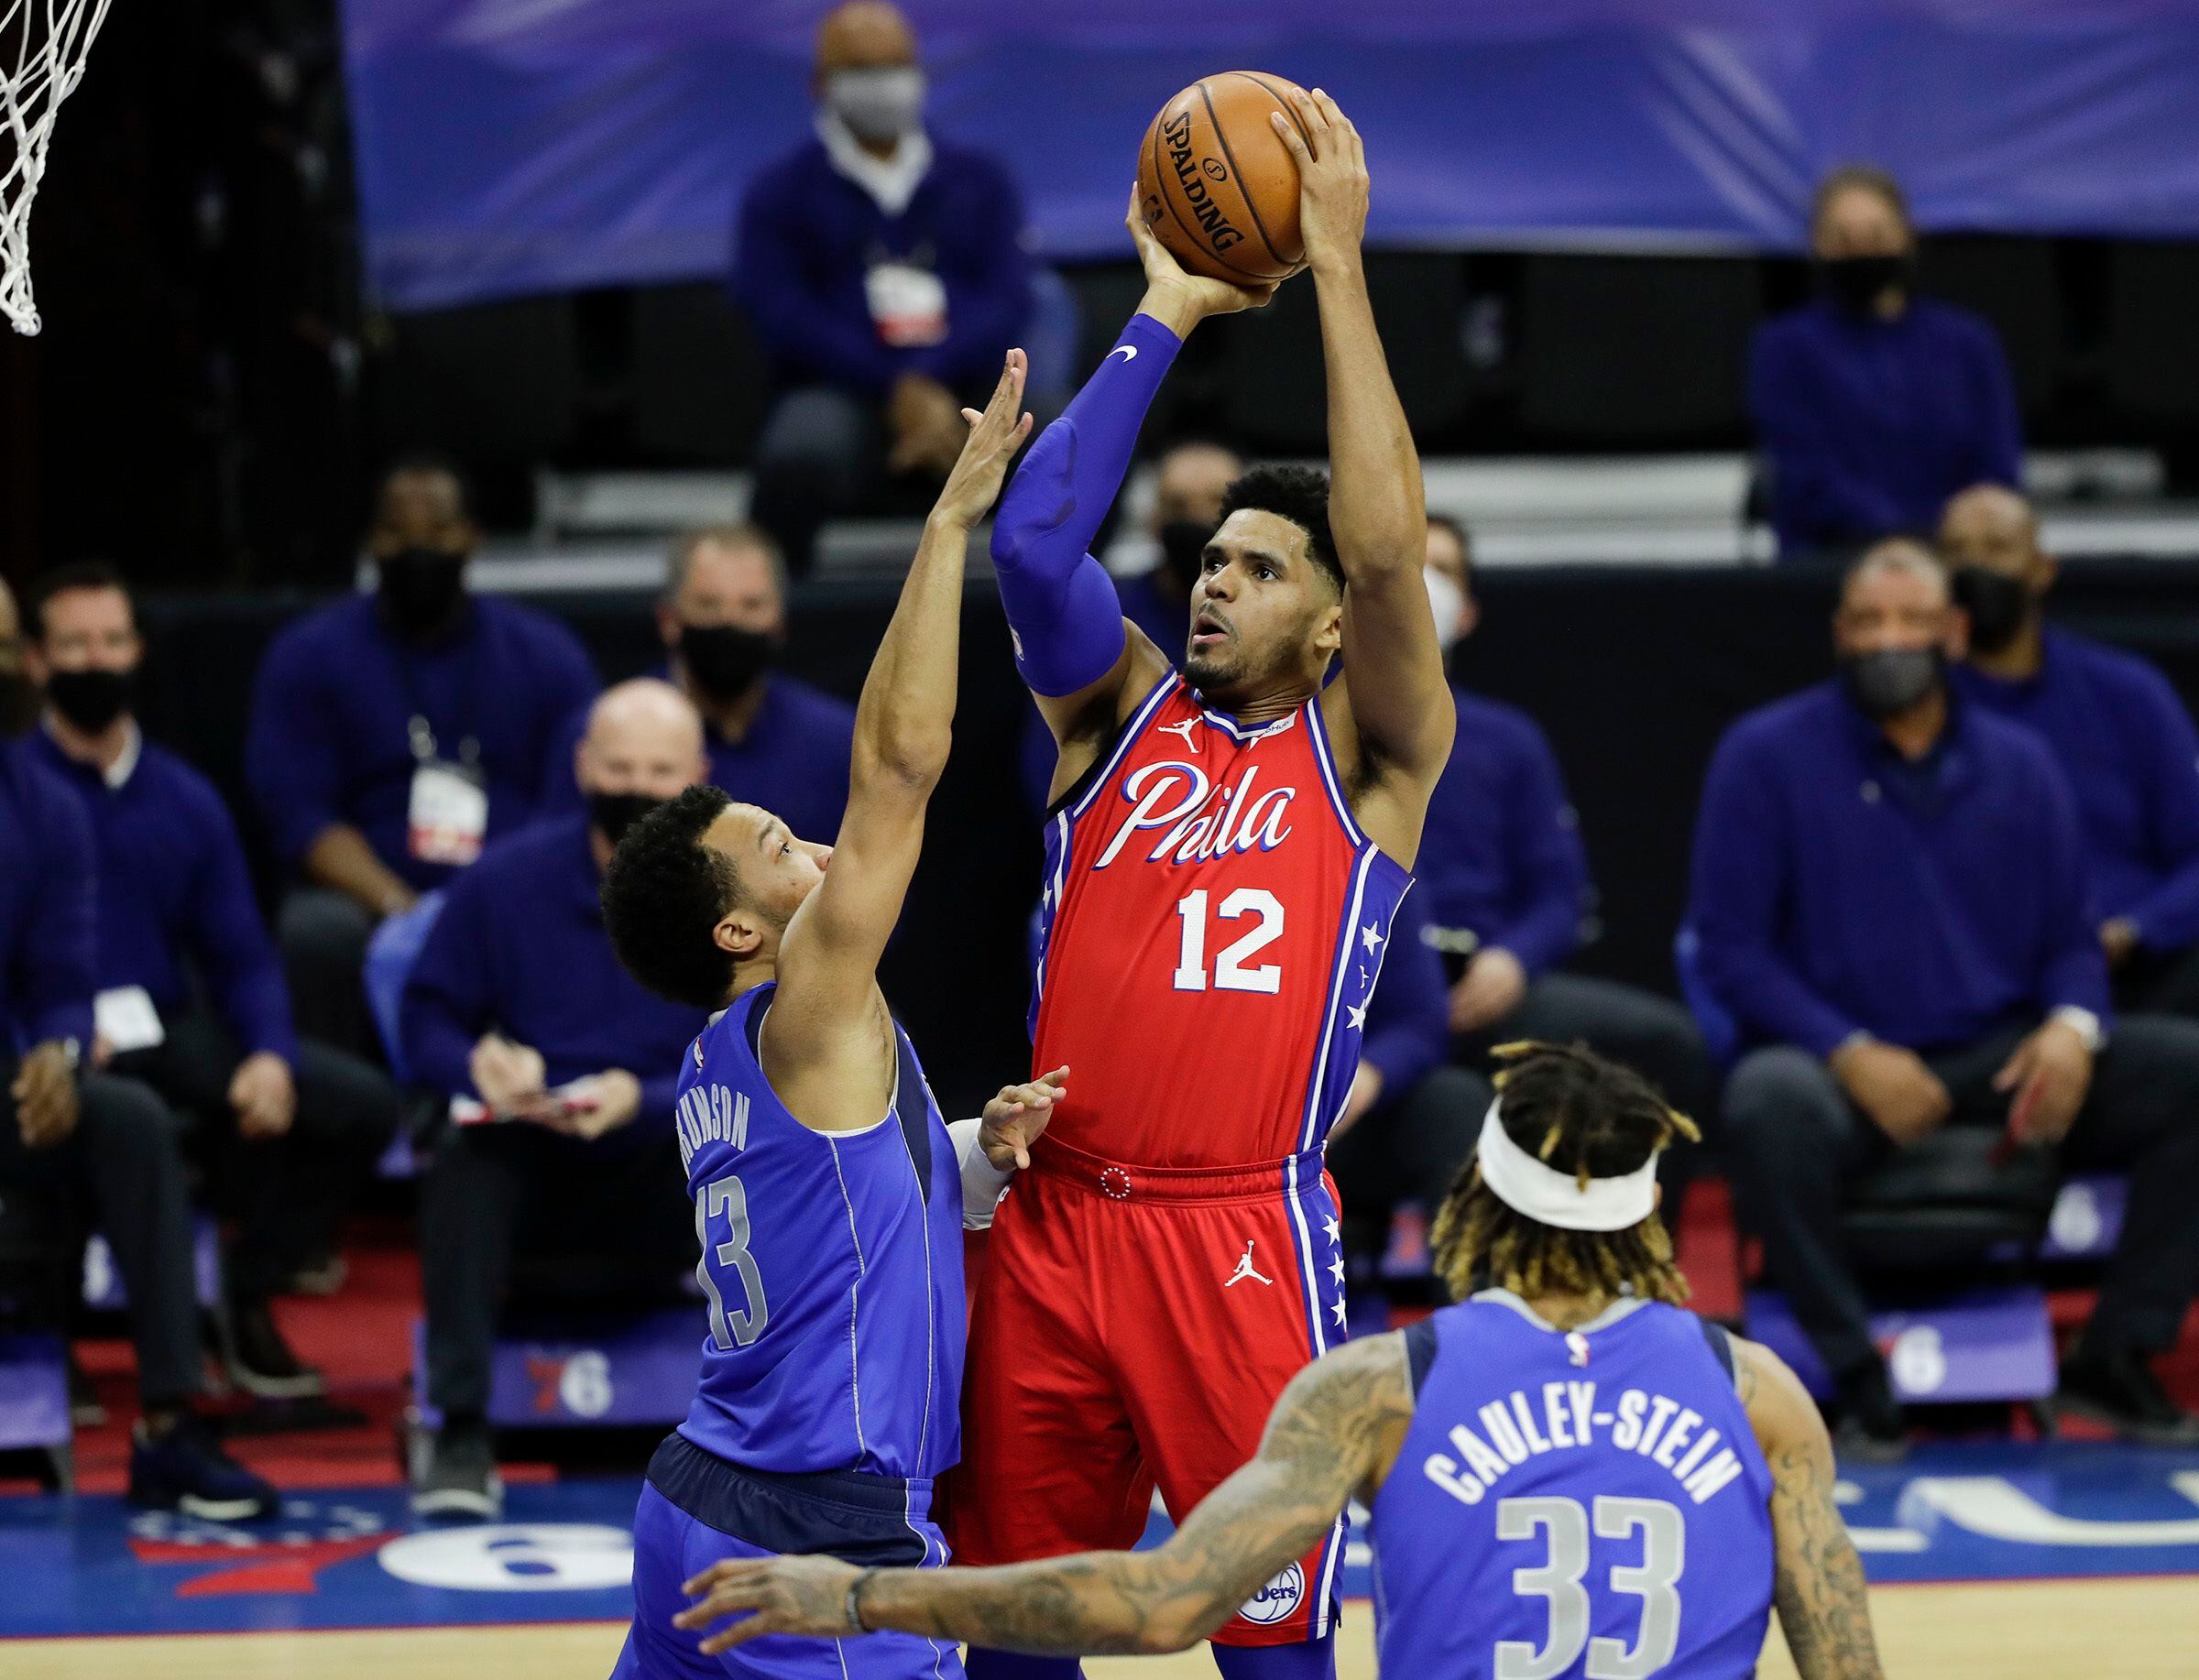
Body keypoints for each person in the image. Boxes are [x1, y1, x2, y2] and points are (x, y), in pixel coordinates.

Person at [954, 93, 1456, 1680]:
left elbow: (1386, 553)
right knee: (1019, 1621)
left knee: (1271, 1641)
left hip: (1237, 1241)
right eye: (1212, 557)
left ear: (1327, 624)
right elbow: (1032, 546)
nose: (1215, 578)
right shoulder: (1116, 714)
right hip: (1051, 1226)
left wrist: (1336, 272)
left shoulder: (1375, 759)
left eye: (1260, 565)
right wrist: (1173, 298)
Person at [672, 1044, 1888, 1680]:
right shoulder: (1759, 1394)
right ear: (1649, 1214)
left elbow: (1154, 1603)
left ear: (1474, 1191)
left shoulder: (1380, 1393)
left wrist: (861, 1594)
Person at [596, 354, 1046, 1680]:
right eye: (781, 844)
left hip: (695, 1496)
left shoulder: (719, 1064)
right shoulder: (806, 1006)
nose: (815, 856)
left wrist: (968, 1150)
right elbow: (901, 767)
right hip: (821, 1531)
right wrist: (950, 523)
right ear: (741, 930)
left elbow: (836, 1211)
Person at [1691, 540, 2199, 1452]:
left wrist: (2074, 1028)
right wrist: (1848, 1048)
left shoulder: (2026, 763)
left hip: (2000, 1054)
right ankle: (1852, 1379)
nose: (1892, 641)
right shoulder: (1763, 754)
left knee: (2186, 1071)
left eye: (1913, 622)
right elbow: (1731, 951)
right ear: (1840, 634)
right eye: (1871, 622)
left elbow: (2071, 938)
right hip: (1843, 1065)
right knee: (1766, 1099)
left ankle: (2117, 1353)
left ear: (1957, 634)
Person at [21, 562, 404, 1400]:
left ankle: (247, 1291)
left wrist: (267, 1052)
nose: (97, 660)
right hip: (42, 1039)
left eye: (113, 640)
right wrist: (51, 1033)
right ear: (38, 662)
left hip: (161, 1026)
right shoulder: (19, 795)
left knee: (356, 1102)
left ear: (138, 652)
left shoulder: (185, 797)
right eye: (75, 644)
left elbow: (240, 953)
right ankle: (54, 1335)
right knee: (124, 1119)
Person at [401, 679, 715, 1518]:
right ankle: (460, 1428)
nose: (638, 788)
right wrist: (479, 1065)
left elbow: (773, 1045)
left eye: (661, 770)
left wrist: (647, 1100)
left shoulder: (740, 897)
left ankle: (779, 1431)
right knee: (467, 1159)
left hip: (673, 1160)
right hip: (535, 1157)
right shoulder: (504, 884)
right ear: (582, 766)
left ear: (700, 774)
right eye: (619, 766)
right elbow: (425, 1016)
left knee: (772, 1152)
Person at [0, 579, 279, 1519]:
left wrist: (56, 1047)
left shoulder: (44, 807)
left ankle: (167, 1421)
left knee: (128, 1117)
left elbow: (55, 974)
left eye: (4, 645)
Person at [246, 455, 600, 1056]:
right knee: (315, 932)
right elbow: (298, 814)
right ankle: (343, 1115)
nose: (417, 548)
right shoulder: (309, 655)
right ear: (369, 543)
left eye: (437, 532)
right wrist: (401, 909)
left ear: (473, 539)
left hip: (513, 884)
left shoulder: (544, 653)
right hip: (367, 897)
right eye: (396, 532)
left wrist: (492, 899)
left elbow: (577, 797)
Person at [1420, 515, 1715, 1186]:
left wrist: (1512, 961)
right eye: (1406, 565)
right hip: (1352, 998)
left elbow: (1560, 892)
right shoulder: (1309, 728)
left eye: (1443, 571)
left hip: (1485, 982)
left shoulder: (1508, 740)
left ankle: (1628, 1260)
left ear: (1467, 612)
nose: (1423, 586)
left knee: (1667, 1045)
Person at [734, 0, 1034, 571]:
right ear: (820, 84)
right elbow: (781, 312)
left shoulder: (980, 180)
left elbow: (1009, 297)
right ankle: (778, 611)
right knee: (801, 450)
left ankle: (1066, 615)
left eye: (895, 67)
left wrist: (928, 377)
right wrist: (894, 384)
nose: (883, 86)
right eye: (862, 71)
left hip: (966, 387)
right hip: (842, 388)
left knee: (1064, 444)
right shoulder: (780, 193)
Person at [1940, 484, 2199, 1018]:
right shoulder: (1914, 710)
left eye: (1996, 547)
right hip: (1975, 985)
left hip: (2132, 970)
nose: (1975, 566)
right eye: (1956, 550)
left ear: (2042, 569)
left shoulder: (2129, 694)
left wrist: (2136, 931)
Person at [1750, 166, 2022, 557]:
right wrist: (1900, 538)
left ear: (1907, 237)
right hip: (1830, 562)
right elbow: (1804, 475)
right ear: (1816, 245)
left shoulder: (1967, 343)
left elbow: (1997, 467)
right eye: (1843, 239)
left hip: (1954, 563)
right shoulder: (1785, 348)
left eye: (1876, 235)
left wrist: (1955, 535)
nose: (1861, 252)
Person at [543, 524, 855, 846]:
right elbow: (561, 862)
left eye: (751, 606)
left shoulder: (837, 743)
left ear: (779, 624)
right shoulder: (604, 732)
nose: (729, 622)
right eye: (708, 605)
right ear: (669, 619)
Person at [1016, 440, 1246, 812]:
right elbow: (1053, 754)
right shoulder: (1104, 614)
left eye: (1215, 506)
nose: (1195, 520)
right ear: (1154, 520)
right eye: (1178, 506)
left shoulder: (1283, 618)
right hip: (1129, 830)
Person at [1322, 884, 1490, 1285]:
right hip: (1216, 1121)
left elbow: (1422, 1021)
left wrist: (1369, 1073)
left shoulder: (1371, 866)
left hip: (1339, 1120)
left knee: (1455, 1101)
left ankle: (1475, 1320)